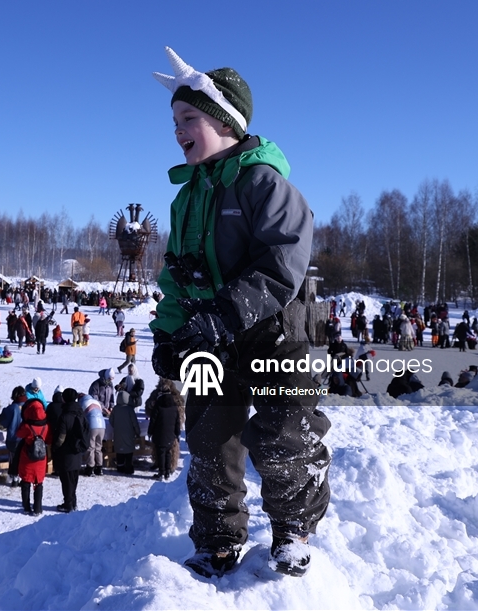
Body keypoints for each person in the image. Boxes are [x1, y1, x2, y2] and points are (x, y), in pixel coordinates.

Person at [148, 48, 331, 578]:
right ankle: (218, 539)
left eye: (190, 118)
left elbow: (283, 262)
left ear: (226, 123)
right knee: (208, 438)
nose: (179, 130)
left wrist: (224, 313)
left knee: (282, 431)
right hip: (212, 339)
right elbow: (176, 277)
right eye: (175, 121)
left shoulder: (263, 184)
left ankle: (292, 529)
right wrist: (170, 333)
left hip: (274, 333)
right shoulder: (187, 200)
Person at [51, 388, 87, 513]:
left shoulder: (65, 415)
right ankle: (73, 502)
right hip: (77, 451)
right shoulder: (80, 413)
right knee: (73, 479)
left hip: (66, 452)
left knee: (66, 480)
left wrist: (55, 447)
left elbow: (61, 437)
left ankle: (68, 504)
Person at [15, 398, 50, 515]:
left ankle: (26, 507)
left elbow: (18, 434)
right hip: (41, 458)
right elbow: (49, 439)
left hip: (27, 458)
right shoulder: (46, 426)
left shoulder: (26, 426)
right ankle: (38, 508)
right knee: (38, 483)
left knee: (25, 482)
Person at [149, 379, 183, 480]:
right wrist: (177, 433)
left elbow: (153, 420)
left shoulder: (158, 405)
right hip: (171, 434)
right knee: (168, 452)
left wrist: (150, 431)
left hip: (159, 434)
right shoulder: (174, 406)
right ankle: (167, 472)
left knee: (161, 453)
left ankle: (161, 472)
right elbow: (177, 421)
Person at [0, 386, 27, 486]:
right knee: (23, 459)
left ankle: (14, 478)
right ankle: (23, 478)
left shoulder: (11, 408)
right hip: (26, 438)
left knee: (13, 459)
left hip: (14, 438)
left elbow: (3, 422)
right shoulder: (28, 406)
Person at [110, 391, 140, 475]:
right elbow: (135, 422)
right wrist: (137, 432)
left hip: (118, 433)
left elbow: (111, 420)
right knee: (128, 451)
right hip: (129, 433)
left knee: (119, 451)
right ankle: (128, 467)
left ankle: (120, 466)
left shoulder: (115, 409)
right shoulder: (129, 409)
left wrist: (116, 426)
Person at [78, 392, 106, 477]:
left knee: (90, 447)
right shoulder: (95, 401)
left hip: (92, 425)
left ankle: (90, 468)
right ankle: (99, 467)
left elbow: (81, 416)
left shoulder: (83, 403)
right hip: (102, 425)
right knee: (98, 447)